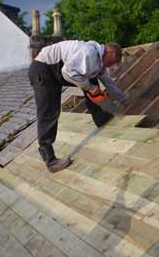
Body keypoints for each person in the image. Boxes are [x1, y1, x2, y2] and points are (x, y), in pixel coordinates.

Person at [29, 40, 127, 172]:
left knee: (91, 79)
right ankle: (51, 161)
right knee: (49, 112)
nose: (110, 66)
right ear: (108, 52)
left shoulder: (99, 61)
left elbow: (107, 81)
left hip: (56, 70)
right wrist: (89, 87)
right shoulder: (88, 53)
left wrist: (122, 98)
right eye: (112, 62)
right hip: (43, 69)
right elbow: (68, 73)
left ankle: (101, 117)